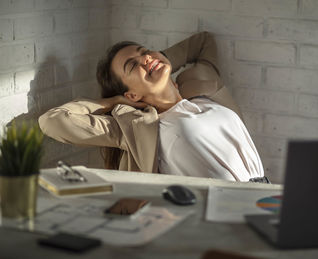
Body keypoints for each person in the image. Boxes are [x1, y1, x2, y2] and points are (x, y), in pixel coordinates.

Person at [39, 31, 265, 182]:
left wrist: (156, 61)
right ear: (132, 94)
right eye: (132, 65)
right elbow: (52, 121)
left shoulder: (199, 86)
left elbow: (203, 41)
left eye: (144, 51)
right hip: (217, 217)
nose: (144, 58)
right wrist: (114, 101)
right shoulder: (137, 128)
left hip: (267, 196)